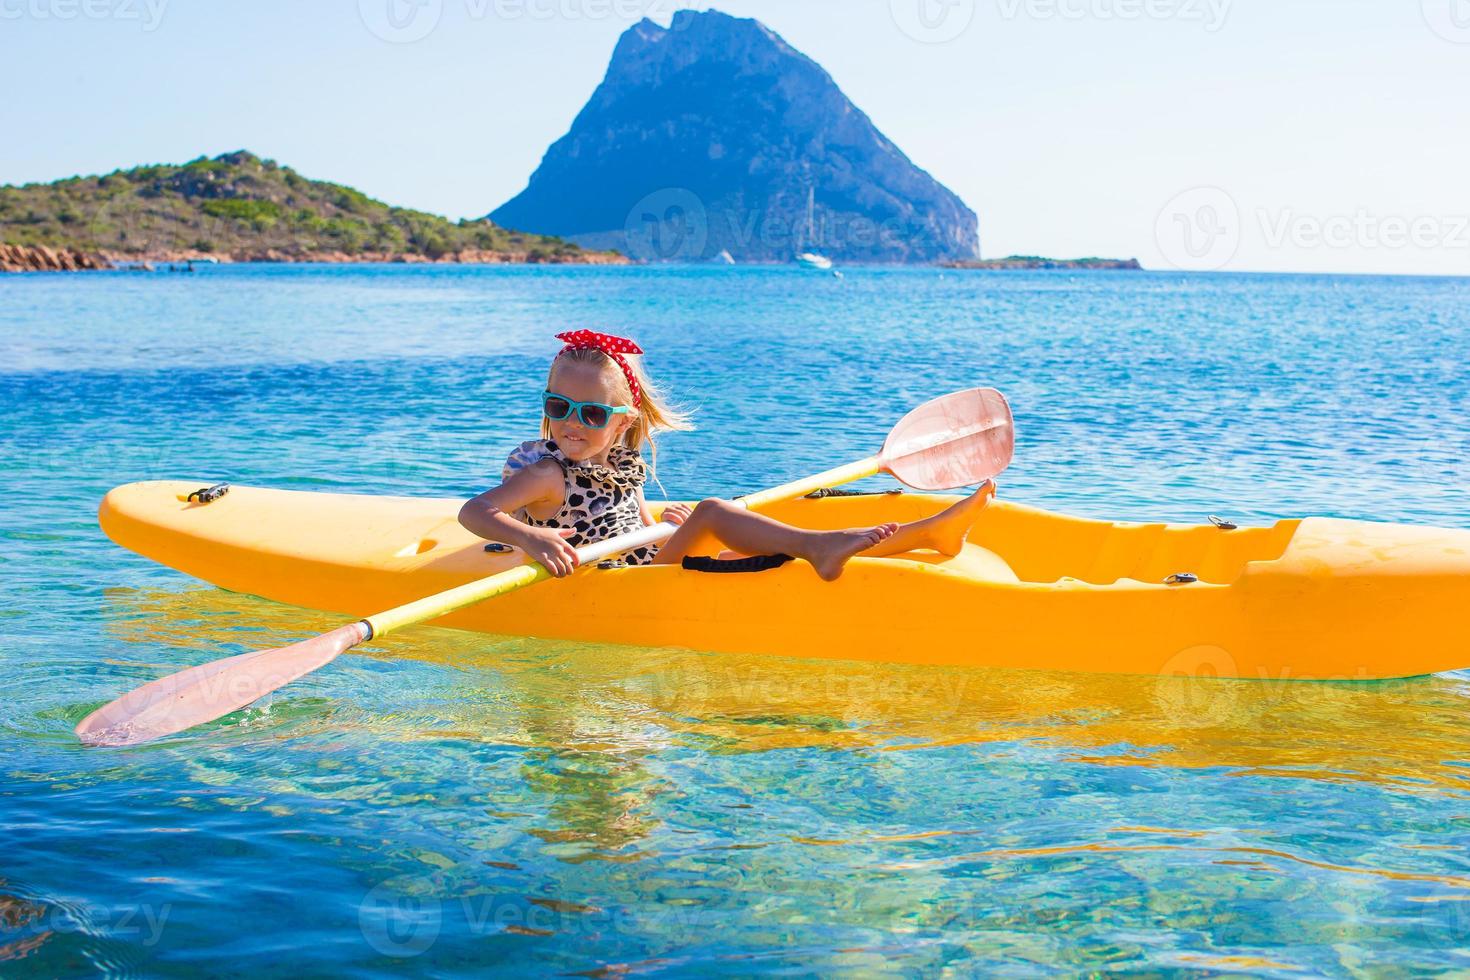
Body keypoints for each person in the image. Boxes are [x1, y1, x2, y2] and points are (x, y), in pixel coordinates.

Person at [458, 330, 995, 580]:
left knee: (761, 557)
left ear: (625, 420)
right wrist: (529, 536)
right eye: (560, 406)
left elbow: (627, 522)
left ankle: (923, 534)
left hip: (651, 565)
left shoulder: (621, 467)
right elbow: (474, 512)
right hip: (625, 584)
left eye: (592, 413)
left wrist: (664, 524)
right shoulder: (548, 473)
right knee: (717, 512)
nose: (573, 423)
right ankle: (822, 547)